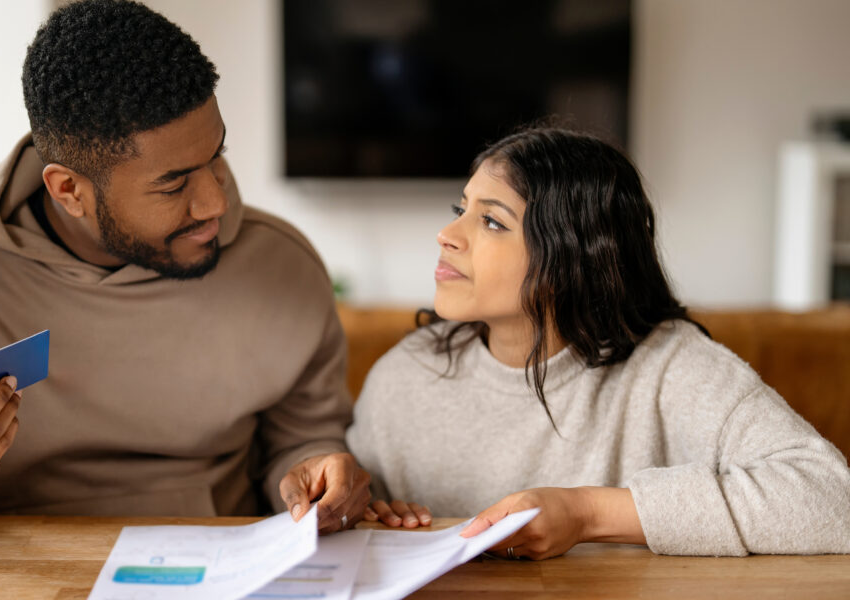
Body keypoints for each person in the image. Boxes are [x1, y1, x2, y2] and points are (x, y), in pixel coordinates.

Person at [0, 0, 369, 532]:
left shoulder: (281, 263)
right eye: (173, 185)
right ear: (68, 190)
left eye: (216, 157)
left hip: (217, 567)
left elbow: (302, 439)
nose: (216, 201)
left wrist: (315, 470)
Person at [346, 127, 850, 557]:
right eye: (462, 208)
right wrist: (369, 514)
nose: (446, 234)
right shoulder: (405, 374)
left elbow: (832, 500)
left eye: (492, 221)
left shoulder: (671, 367)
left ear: (570, 257)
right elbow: (346, 527)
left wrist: (587, 512)